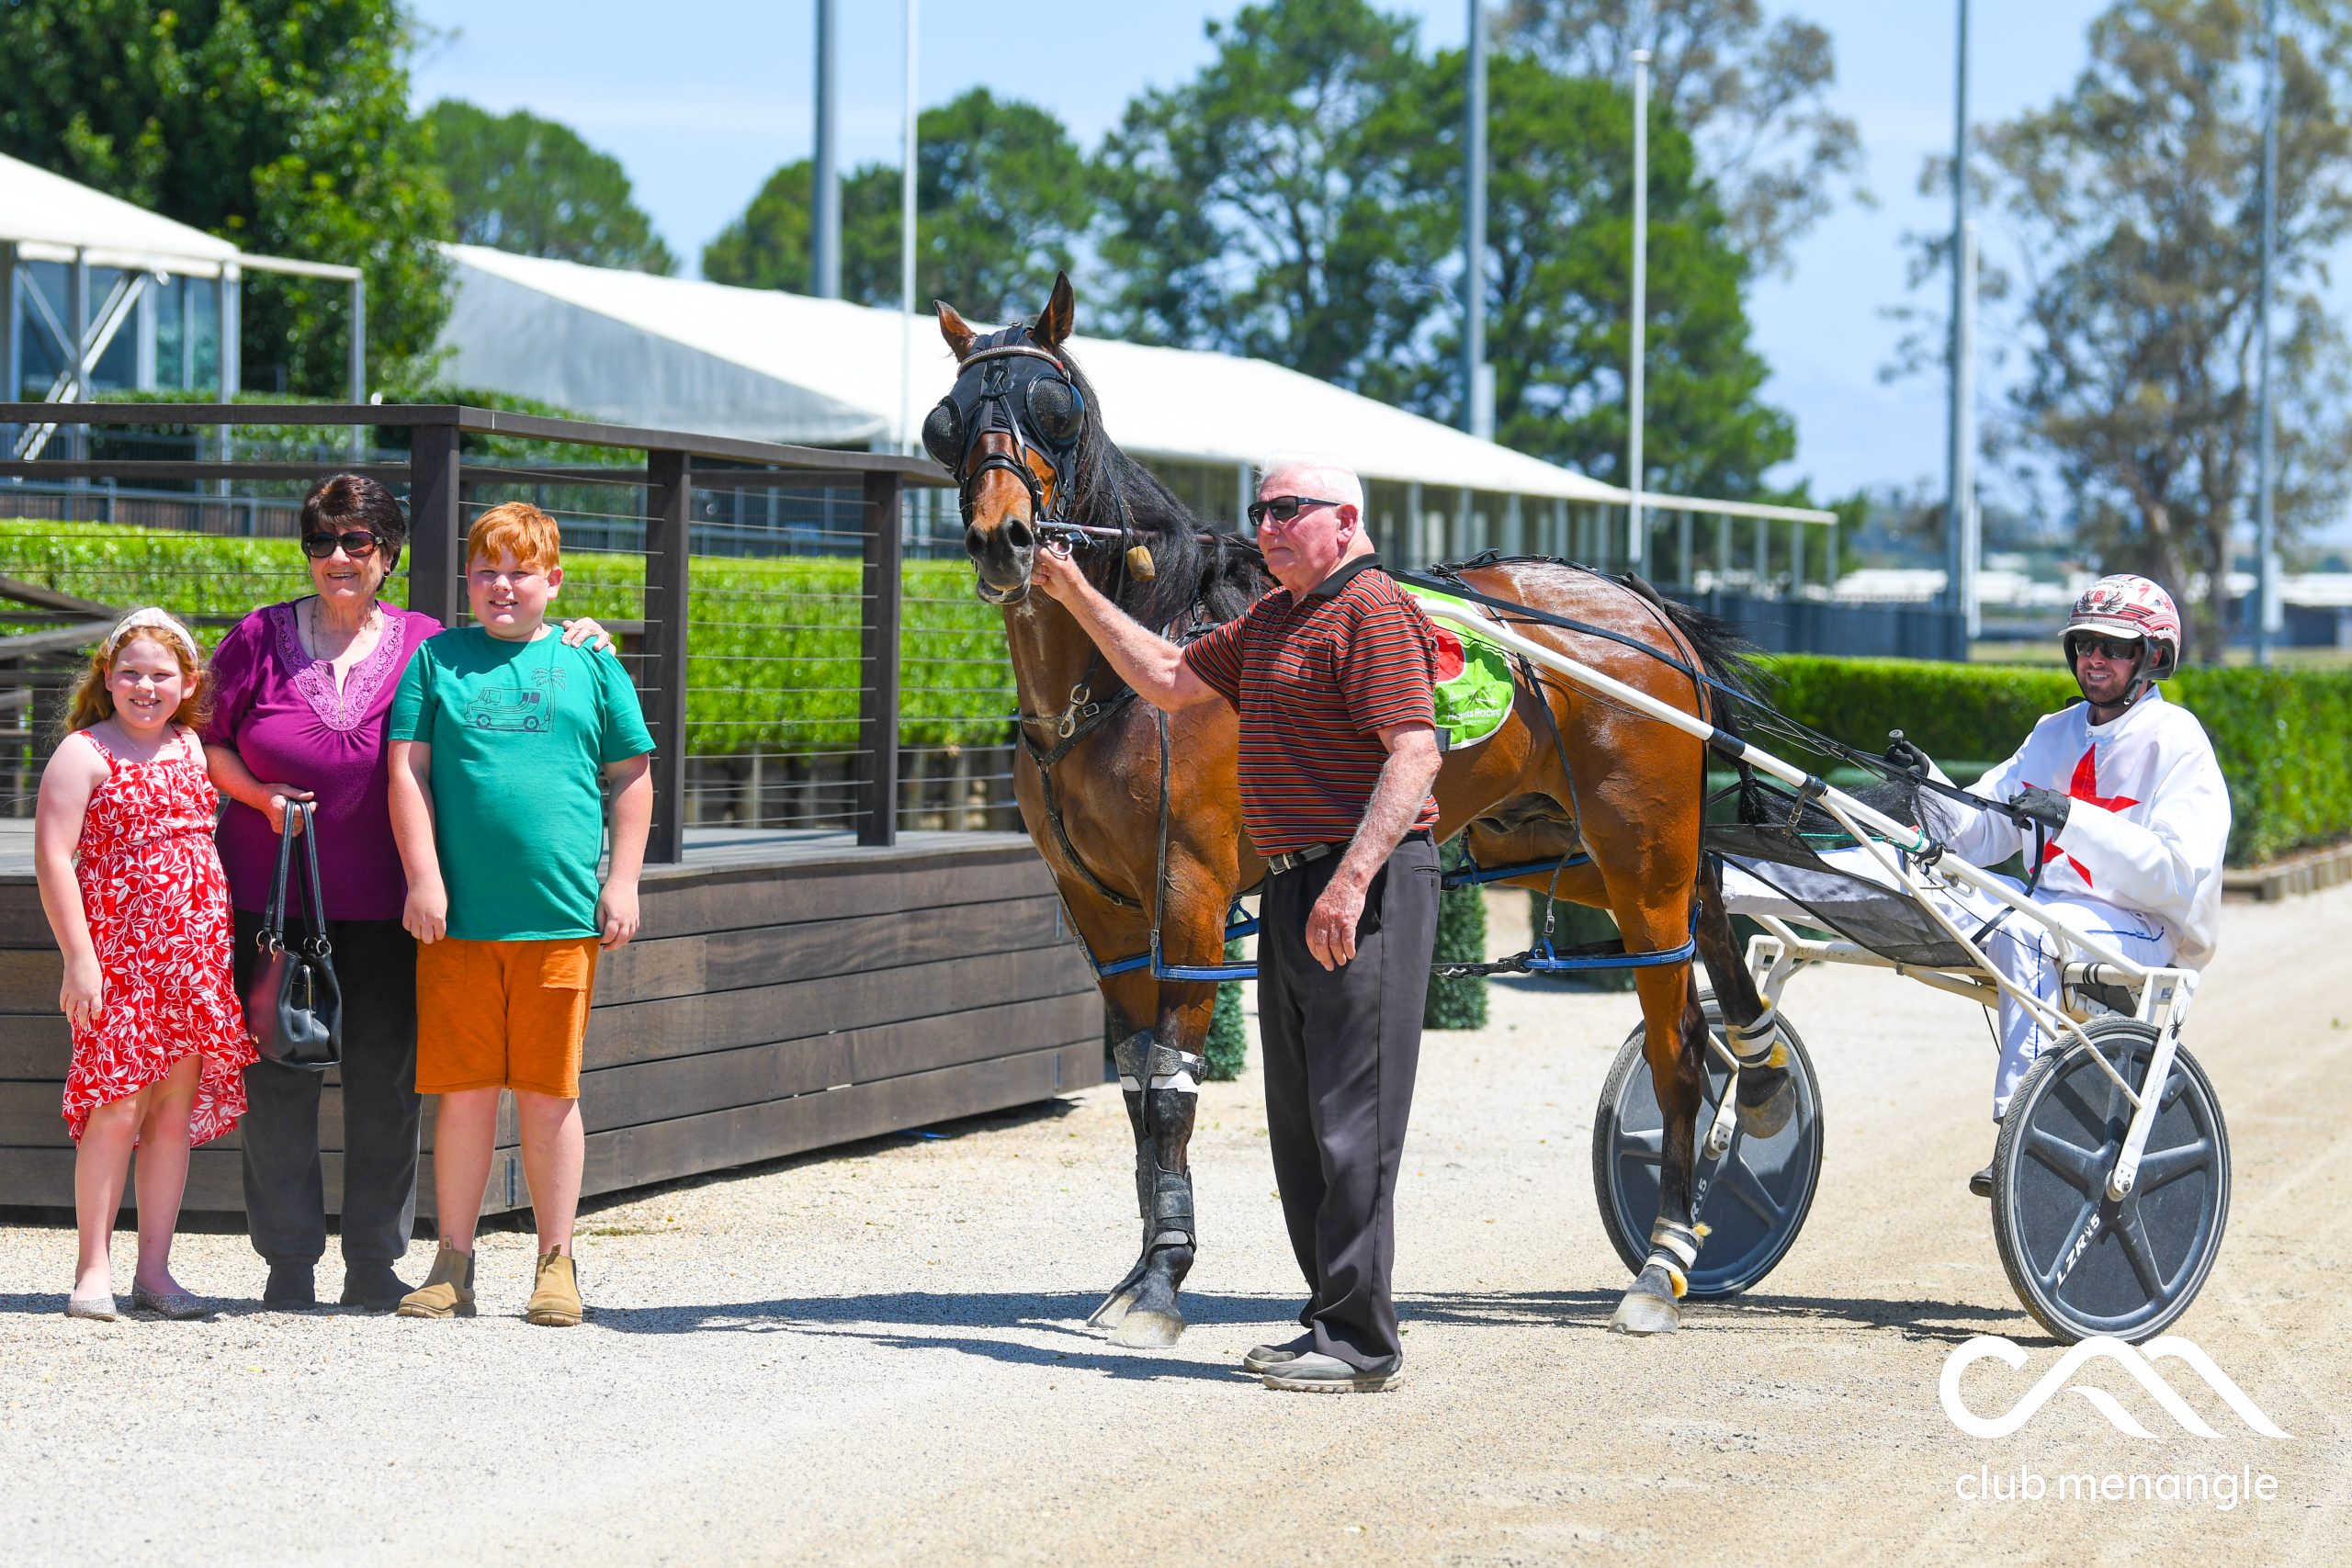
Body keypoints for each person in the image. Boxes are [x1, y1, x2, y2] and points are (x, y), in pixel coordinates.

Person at [1034, 457, 1442, 1393]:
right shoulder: (1277, 616)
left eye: (1286, 511)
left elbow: (1413, 754)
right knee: (1301, 1129)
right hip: (1296, 885)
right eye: (1258, 511)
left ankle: (1362, 1344)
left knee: (1353, 1125)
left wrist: (1348, 882)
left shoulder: (1370, 608)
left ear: (1344, 518)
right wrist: (1068, 590)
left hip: (1360, 889)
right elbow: (1171, 677)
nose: (1265, 526)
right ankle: (1326, 1323)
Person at [206, 474, 609, 1312]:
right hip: (277, 900)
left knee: (388, 1080)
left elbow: (512, 651)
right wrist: (259, 798)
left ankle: (373, 1263)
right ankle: (287, 1264)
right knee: (278, 1079)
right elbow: (209, 743)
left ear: (389, 554)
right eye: (322, 542)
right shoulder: (254, 637)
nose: (339, 558)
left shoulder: (428, 642)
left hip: (397, 903)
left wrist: (584, 640)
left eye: (358, 542)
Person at [1724, 574, 2229, 1193]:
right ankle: (1723, 883)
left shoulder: (2181, 743)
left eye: (2113, 647)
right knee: (1908, 870)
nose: (2094, 658)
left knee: (2026, 929)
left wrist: (2074, 819)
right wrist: (1927, 783)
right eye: (2085, 644)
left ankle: (2024, 1134)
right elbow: (1979, 832)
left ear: (2153, 656)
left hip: (2144, 935)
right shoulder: (2054, 732)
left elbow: (2179, 878)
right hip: (2048, 916)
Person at [386, 502, 654, 1327]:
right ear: (467, 579)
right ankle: (452, 1264)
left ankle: (556, 1262)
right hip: (459, 924)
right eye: (486, 570)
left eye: (520, 571)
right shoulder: (437, 659)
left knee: (548, 1094)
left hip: (560, 918)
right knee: (463, 1094)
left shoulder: (591, 662)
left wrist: (625, 880)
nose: (502, 586)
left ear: (554, 580)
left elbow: (632, 776)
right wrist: (423, 877)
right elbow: (407, 771)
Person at [35, 608, 257, 1320]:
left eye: (160, 674)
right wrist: (79, 959)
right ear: (107, 674)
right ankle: (92, 1268)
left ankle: (155, 1270)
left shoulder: (192, 748)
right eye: (129, 671)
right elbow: (53, 860)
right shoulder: (84, 753)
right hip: (120, 967)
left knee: (170, 1114)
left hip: (192, 967)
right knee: (115, 1109)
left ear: (187, 681)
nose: (144, 685)